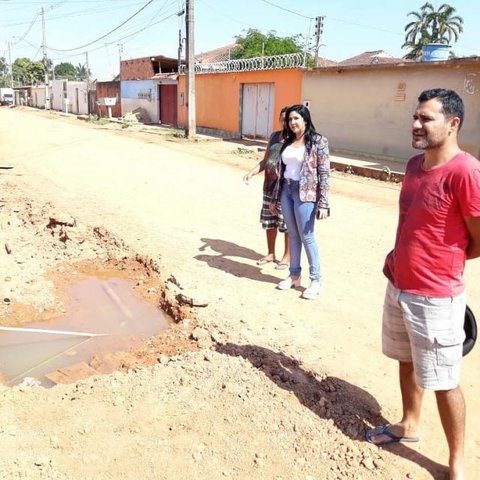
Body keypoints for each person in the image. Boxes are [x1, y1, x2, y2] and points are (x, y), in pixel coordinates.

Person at [365, 88, 480, 480]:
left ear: (453, 124)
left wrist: (442, 262)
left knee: (444, 380)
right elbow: (411, 221)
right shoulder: (414, 165)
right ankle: (410, 424)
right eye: (415, 117)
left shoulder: (466, 171)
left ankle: (456, 463)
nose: (415, 124)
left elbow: (478, 237)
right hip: (399, 283)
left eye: (426, 119)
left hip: (435, 296)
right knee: (406, 359)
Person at [270, 104, 330, 300]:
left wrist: (323, 203)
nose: (292, 122)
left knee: (307, 236)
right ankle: (294, 275)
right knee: (293, 235)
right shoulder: (287, 142)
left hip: (306, 194)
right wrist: (275, 198)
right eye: (289, 120)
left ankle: (316, 280)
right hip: (287, 190)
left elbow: (324, 173)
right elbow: (280, 172)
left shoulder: (318, 141)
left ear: (305, 119)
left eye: (296, 118)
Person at [243, 106, 290, 269]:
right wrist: (251, 172)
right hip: (269, 186)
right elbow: (265, 160)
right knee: (270, 222)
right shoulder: (274, 136)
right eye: (282, 118)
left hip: (285, 189)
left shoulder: (296, 140)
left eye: (289, 118)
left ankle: (287, 256)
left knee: (286, 223)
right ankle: (271, 253)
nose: (285, 122)